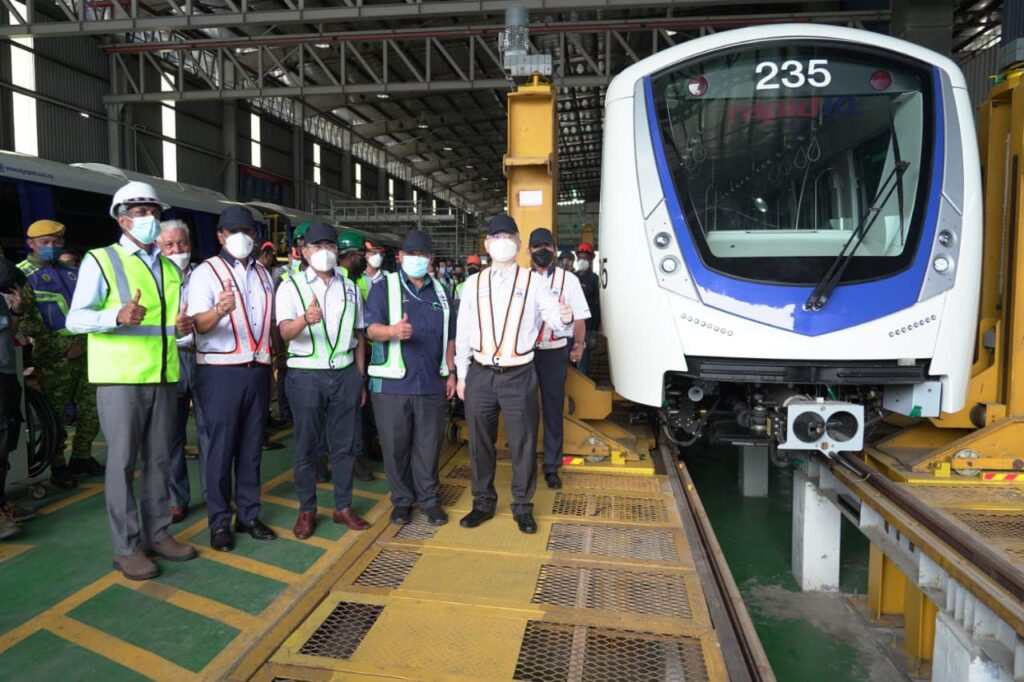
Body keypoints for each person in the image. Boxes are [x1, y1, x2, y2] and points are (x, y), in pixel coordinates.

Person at [66, 181, 197, 580]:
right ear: (122, 220)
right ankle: (126, 547)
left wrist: (183, 328)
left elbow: (168, 325)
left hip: (162, 375)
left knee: (159, 459)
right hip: (121, 378)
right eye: (141, 213)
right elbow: (75, 319)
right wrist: (116, 316)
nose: (150, 219)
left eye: (154, 212)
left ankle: (158, 534)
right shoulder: (101, 260)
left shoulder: (168, 267)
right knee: (122, 463)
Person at [454, 215, 573, 534]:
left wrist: (564, 317)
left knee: (523, 441)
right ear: (487, 244)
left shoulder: (534, 282)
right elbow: (463, 331)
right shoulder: (474, 284)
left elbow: (554, 317)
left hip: (519, 373)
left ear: (519, 244)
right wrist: (462, 374)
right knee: (480, 442)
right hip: (480, 373)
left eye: (509, 237)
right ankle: (482, 502)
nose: (502, 242)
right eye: (496, 237)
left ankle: (522, 505)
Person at [188, 206, 276, 552]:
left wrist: (273, 365)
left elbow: (268, 325)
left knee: (251, 449)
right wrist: (219, 310)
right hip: (220, 372)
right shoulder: (206, 272)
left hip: (257, 369)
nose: (242, 237)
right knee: (220, 451)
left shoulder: (264, 274)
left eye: (248, 232)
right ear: (221, 236)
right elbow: (198, 325)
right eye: (234, 231)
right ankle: (220, 521)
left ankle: (249, 515)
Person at [276, 222, 370, 538]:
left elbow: (359, 334)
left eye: (329, 246)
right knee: (307, 447)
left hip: (344, 373)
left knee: (344, 446)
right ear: (305, 251)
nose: (324, 252)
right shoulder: (290, 287)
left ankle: (343, 507)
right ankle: (307, 510)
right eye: (317, 246)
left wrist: (359, 377)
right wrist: (305, 319)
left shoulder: (350, 288)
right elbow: (284, 332)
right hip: (306, 376)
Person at [366, 230, 455, 526]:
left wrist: (451, 373)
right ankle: (402, 501)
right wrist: (392, 331)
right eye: (411, 254)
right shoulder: (384, 287)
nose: (417, 259)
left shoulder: (441, 292)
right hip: (392, 385)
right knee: (395, 446)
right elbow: (370, 329)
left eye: (423, 254)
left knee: (429, 446)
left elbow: (450, 337)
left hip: (431, 382)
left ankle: (429, 500)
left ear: (431, 259)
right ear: (400, 256)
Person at [16, 219, 102, 488]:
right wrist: (65, 346)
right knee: (55, 414)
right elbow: (26, 322)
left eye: (57, 242)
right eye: (45, 242)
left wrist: (83, 342)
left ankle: (82, 457)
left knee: (91, 409)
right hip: (54, 357)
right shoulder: (21, 275)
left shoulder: (73, 272)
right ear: (31, 244)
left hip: (86, 350)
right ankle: (58, 466)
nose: (51, 246)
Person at [528, 228, 590, 490]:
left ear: (554, 249)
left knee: (553, 409)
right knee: (525, 410)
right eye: (537, 246)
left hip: (555, 352)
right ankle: (526, 464)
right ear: (528, 251)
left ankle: (552, 466)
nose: (542, 251)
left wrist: (579, 345)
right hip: (525, 354)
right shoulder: (522, 280)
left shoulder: (569, 280)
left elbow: (580, 317)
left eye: (547, 246)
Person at [157, 220, 207, 524]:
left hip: (204, 358)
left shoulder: (206, 275)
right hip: (170, 359)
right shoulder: (152, 278)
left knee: (210, 432)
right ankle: (177, 499)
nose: (178, 250)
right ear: (158, 247)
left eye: (183, 243)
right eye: (170, 245)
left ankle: (214, 495)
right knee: (171, 434)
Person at [337, 230, 375, 482]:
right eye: (362, 255)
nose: (365, 259)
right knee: (346, 412)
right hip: (339, 356)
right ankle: (348, 458)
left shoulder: (360, 281)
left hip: (360, 352)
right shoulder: (338, 282)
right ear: (351, 256)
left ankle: (360, 452)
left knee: (359, 408)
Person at [0, 260, 30, 540]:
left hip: (6, 372)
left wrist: (17, 309)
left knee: (7, 437)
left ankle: (2, 502)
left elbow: (9, 329)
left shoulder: (2, 295)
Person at [575, 242, 601, 377]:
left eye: (585, 257)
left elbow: (598, 305)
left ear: (591, 259)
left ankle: (583, 381)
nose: (582, 260)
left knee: (583, 359)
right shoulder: (571, 277)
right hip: (570, 326)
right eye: (580, 257)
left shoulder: (595, 280)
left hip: (587, 327)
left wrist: (594, 331)